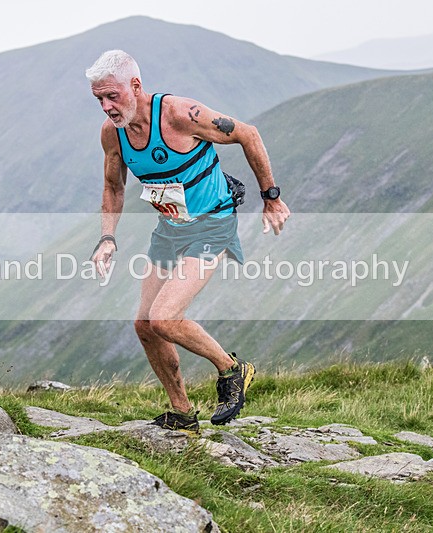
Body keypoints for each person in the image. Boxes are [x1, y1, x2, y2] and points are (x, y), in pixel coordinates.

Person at [86, 50, 290, 435]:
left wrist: (271, 196)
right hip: (171, 227)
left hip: (213, 225)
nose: (106, 107)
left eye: (112, 96)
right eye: (99, 99)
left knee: (164, 317)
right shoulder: (112, 135)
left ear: (135, 86)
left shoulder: (180, 114)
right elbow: (113, 186)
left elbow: (248, 133)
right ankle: (182, 413)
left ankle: (233, 370)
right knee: (145, 325)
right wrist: (107, 238)